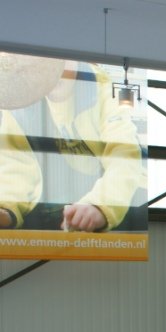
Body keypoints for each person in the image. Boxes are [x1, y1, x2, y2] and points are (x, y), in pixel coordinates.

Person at [0, 52, 146, 232]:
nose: (53, 74)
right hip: (65, 195)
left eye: (59, 61)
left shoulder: (101, 88)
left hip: (121, 194)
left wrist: (99, 205)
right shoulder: (19, 103)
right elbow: (14, 166)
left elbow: (123, 156)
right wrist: (6, 209)